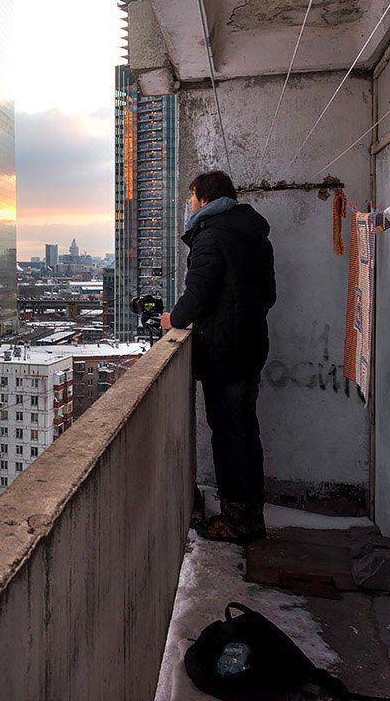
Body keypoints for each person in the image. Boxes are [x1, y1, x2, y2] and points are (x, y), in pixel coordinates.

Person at [161, 170, 275, 542]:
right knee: (245, 429)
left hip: (224, 353)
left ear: (205, 199)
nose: (189, 204)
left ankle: (237, 519)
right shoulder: (254, 235)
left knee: (228, 434)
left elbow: (197, 297)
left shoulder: (211, 237)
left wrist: (172, 319)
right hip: (251, 345)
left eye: (192, 196)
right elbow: (268, 295)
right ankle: (250, 512)